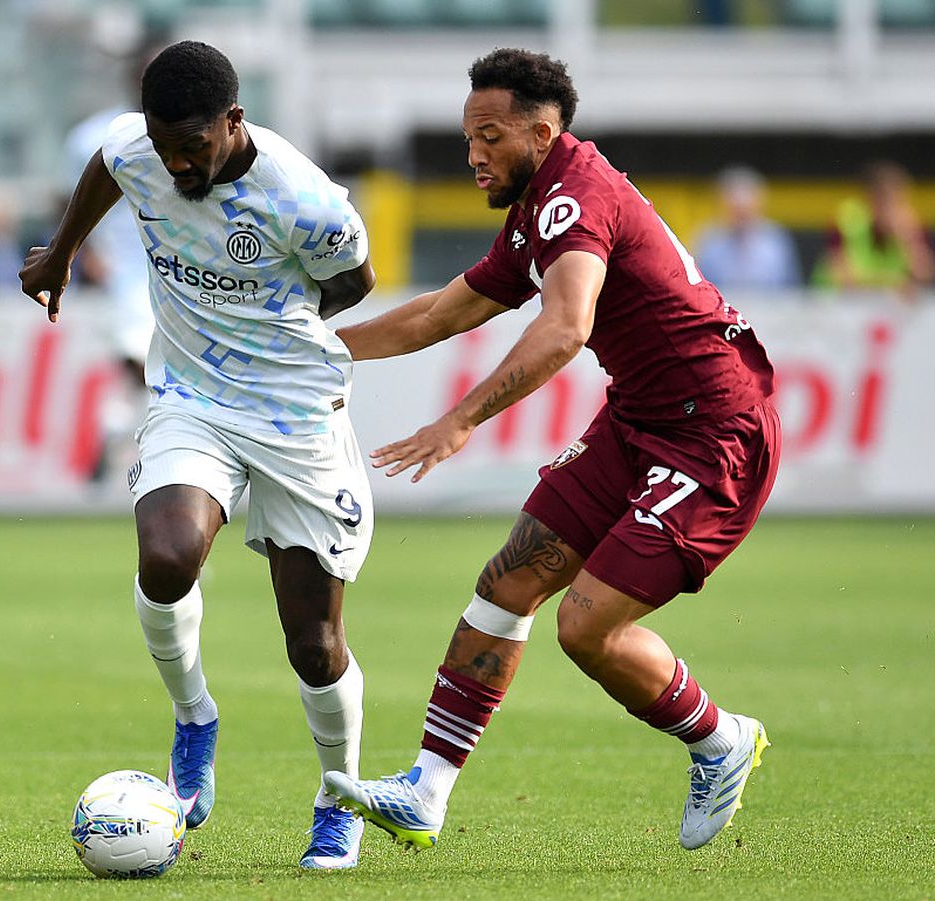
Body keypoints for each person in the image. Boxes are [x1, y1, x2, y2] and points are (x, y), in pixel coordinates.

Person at [321, 48, 780, 853]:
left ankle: (720, 738)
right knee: (509, 580)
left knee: (585, 626)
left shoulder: (575, 198)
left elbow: (566, 328)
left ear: (542, 132)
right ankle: (425, 791)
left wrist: (461, 418)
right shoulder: (540, 206)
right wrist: (316, 350)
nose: (474, 154)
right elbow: (438, 315)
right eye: (469, 138)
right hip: (638, 421)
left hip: (712, 432)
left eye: (490, 137)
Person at [19, 41, 377, 869]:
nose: (177, 163)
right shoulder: (138, 148)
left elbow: (353, 283)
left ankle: (339, 798)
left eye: (193, 146)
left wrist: (270, 325)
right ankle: (194, 716)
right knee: (167, 554)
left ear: (233, 121)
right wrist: (61, 252)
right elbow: (108, 167)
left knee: (314, 642)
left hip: (296, 415)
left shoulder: (306, 202)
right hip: (194, 398)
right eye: (164, 144)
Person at [60, 35, 165, 483]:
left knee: (151, 368)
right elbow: (66, 202)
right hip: (124, 271)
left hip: (184, 271)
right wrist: (82, 253)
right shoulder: (93, 137)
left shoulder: (194, 133)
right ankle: (123, 433)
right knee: (136, 360)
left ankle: (121, 429)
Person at [811, 161, 934, 301]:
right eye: (886, 201)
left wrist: (908, 239)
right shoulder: (848, 219)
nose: (893, 209)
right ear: (869, 198)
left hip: (885, 306)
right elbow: (845, 278)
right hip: (835, 305)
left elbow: (925, 276)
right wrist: (893, 284)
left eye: (899, 200)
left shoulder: (910, 225)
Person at [694, 165, 801, 292]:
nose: (741, 214)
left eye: (745, 208)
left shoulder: (777, 241)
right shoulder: (708, 242)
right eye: (736, 208)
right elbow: (699, 289)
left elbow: (793, 290)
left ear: (759, 203)